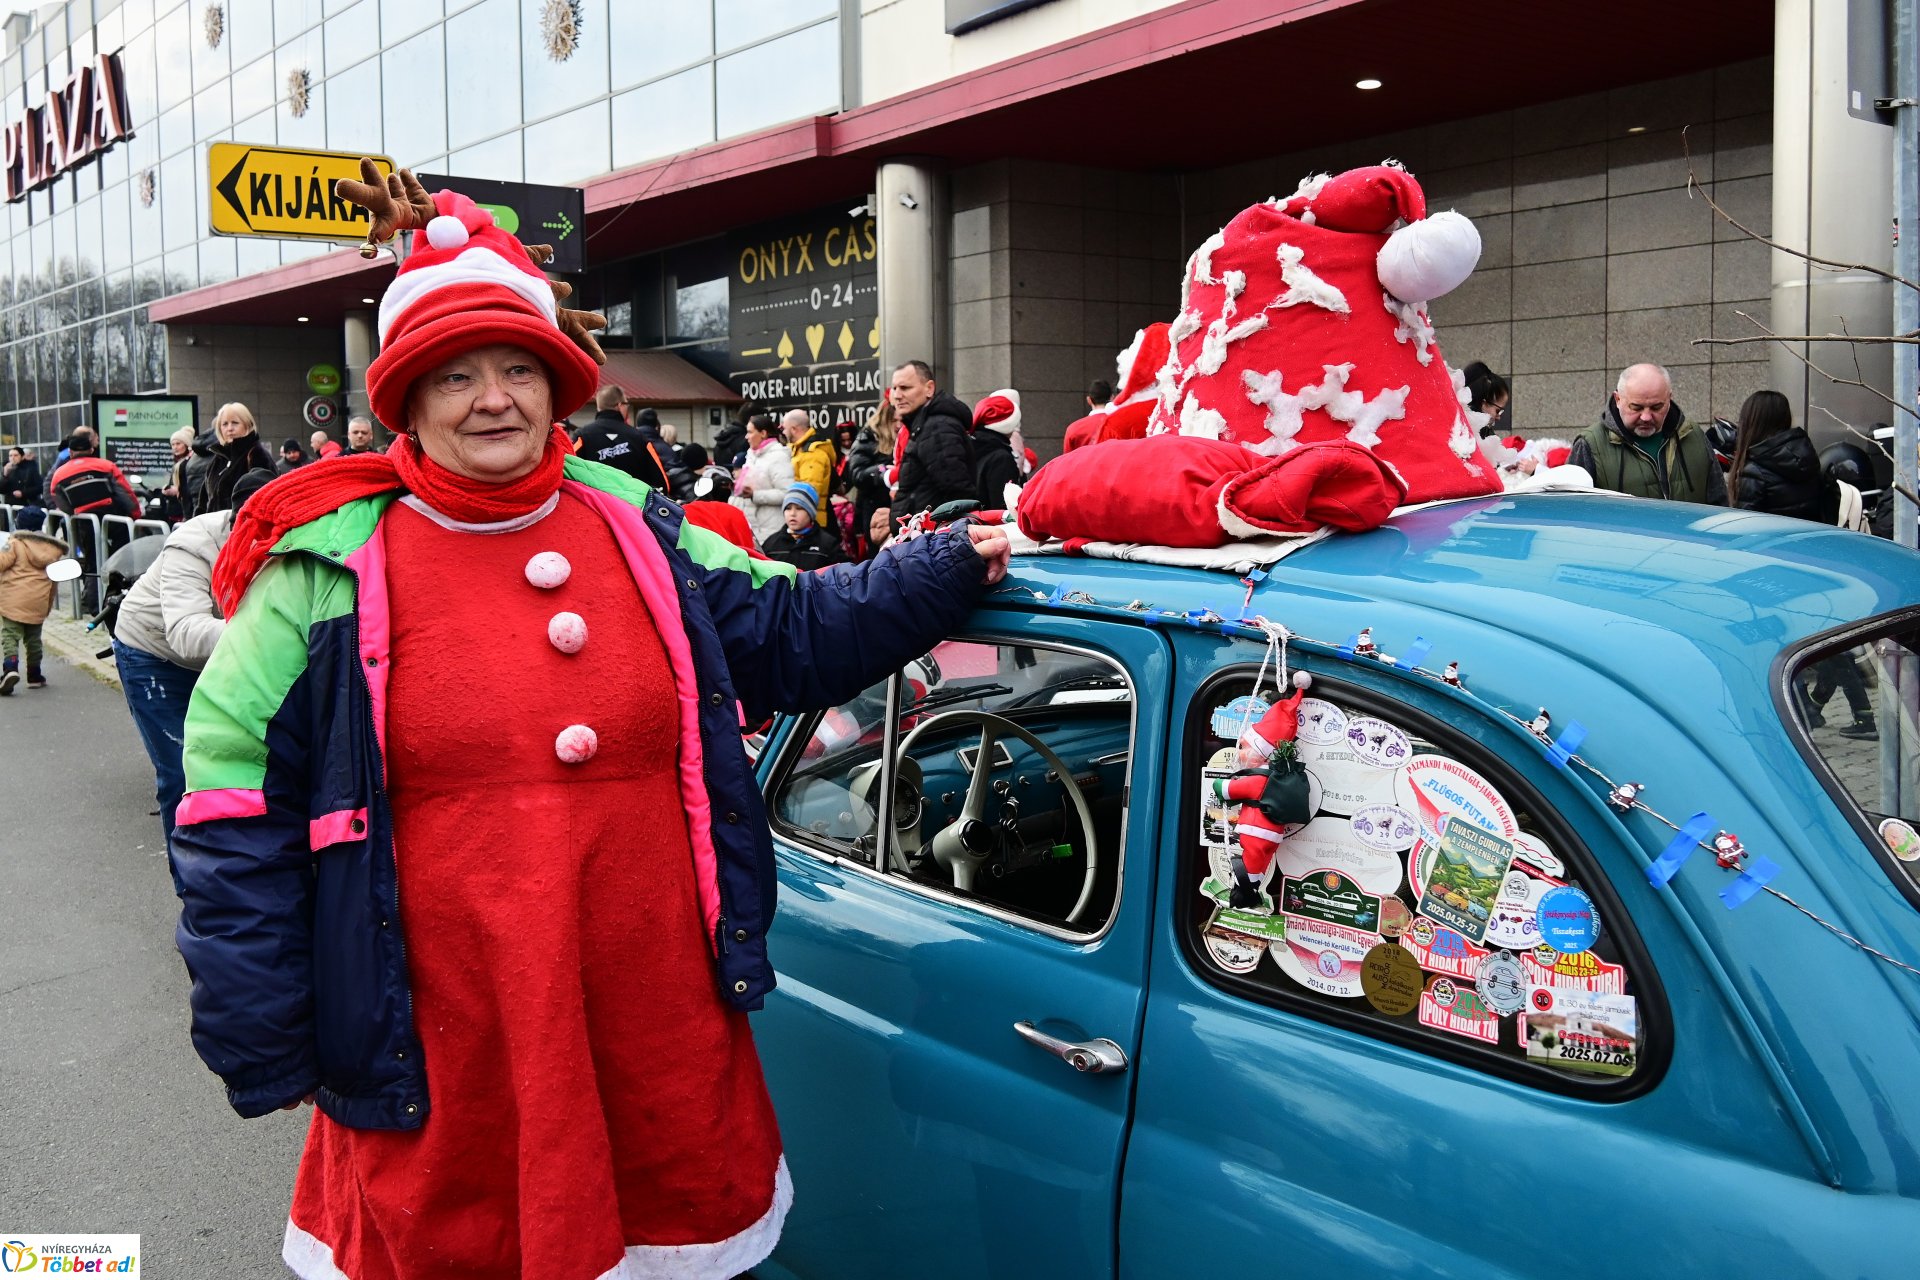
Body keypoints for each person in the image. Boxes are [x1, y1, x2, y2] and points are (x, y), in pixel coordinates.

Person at [171, 170, 1008, 1280]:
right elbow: (234, 804)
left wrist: (946, 563)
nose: (493, 398)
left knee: (659, 1236)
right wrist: (262, 1019)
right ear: (408, 400)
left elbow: (793, 627)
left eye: (519, 368)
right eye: (455, 375)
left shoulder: (638, 530)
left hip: (649, 995)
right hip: (443, 1011)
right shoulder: (322, 568)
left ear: (557, 387)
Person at [113, 468, 276, 884]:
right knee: (182, 768)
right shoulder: (194, 542)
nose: (260, 540)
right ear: (235, 519)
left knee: (251, 761)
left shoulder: (291, 536)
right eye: (251, 528)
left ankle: (244, 871)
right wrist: (275, 636)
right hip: (153, 653)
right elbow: (186, 633)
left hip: (228, 655)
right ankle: (195, 888)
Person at [1568, 364, 1726, 504]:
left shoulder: (1693, 434)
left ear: (1669, 399)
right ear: (1618, 399)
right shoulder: (1589, 444)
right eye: (1636, 407)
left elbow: (1720, 504)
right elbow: (1572, 513)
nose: (1646, 417)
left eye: (1656, 407)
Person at [1728, 389, 1838, 523]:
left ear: (1751, 423)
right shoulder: (1808, 458)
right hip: (1810, 542)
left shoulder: (1755, 472)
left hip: (1770, 543)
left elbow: (1744, 527)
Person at [889, 360, 975, 518]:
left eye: (905, 388)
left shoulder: (936, 428)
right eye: (894, 388)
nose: (897, 395)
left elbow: (957, 493)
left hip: (932, 536)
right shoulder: (924, 425)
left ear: (929, 388)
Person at [0, 505, 65, 694]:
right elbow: (54, 581)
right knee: (34, 639)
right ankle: (34, 675)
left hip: (12, 599)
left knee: (10, 636)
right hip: (38, 601)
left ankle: (10, 669)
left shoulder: (15, 543)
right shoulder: (52, 550)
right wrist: (48, 604)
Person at [575, 385, 673, 491]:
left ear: (599, 406)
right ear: (620, 405)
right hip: (633, 504)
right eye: (627, 404)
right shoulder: (638, 437)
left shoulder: (582, 437)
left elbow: (568, 467)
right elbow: (661, 481)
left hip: (596, 504)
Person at [195, 403, 276, 517]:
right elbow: (203, 502)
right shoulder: (217, 459)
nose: (230, 428)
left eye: (235, 423)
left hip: (244, 529)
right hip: (215, 529)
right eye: (225, 424)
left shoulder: (256, 454)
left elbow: (266, 497)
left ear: (247, 425)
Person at [842, 402, 896, 557]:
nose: (899, 424)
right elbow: (857, 475)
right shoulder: (867, 437)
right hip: (875, 509)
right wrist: (884, 472)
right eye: (895, 421)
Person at [732, 413, 795, 546]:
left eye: (750, 432)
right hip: (753, 529)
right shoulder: (751, 455)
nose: (746, 436)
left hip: (772, 530)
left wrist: (755, 495)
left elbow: (787, 493)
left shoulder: (778, 456)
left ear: (763, 433)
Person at [759, 483, 845, 570]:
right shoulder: (771, 544)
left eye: (799, 508)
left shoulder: (828, 545)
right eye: (788, 508)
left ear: (811, 513)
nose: (792, 514)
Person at [783, 409, 837, 529]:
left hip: (812, 522)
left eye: (785, 429)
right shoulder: (799, 450)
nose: (784, 432)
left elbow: (808, 492)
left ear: (793, 429)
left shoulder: (812, 454)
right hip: (806, 519)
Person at [970, 389, 1024, 509]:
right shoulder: (1001, 458)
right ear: (1008, 425)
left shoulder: (969, 446)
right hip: (993, 525)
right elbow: (1003, 506)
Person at [1462, 362, 1512, 437]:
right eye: (1498, 411)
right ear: (1483, 403)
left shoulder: (1482, 431)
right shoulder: (1463, 432)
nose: (1498, 417)